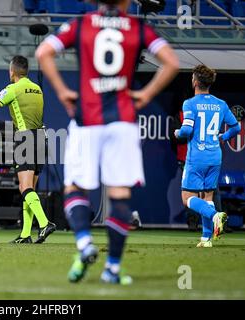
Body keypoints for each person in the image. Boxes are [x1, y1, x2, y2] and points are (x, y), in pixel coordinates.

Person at [35, 0, 179, 284]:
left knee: (74, 186)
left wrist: (63, 92)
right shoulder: (138, 27)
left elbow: (43, 51)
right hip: (122, 121)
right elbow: (172, 62)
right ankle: (112, 267)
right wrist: (146, 95)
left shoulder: (81, 24)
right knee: (120, 195)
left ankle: (84, 242)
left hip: (87, 118)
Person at [0, 55, 56, 244]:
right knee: (30, 189)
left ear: (12, 71)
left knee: (24, 187)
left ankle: (44, 224)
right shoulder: (37, 89)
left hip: (25, 138)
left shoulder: (13, 88)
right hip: (41, 138)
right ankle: (25, 234)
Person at [174, 64, 240, 248]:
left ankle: (215, 216)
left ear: (195, 81)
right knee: (208, 198)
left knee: (187, 198)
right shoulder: (221, 104)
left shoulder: (190, 103)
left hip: (197, 157)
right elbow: (236, 127)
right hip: (214, 157)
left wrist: (177, 132)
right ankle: (206, 238)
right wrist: (223, 137)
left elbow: (186, 130)